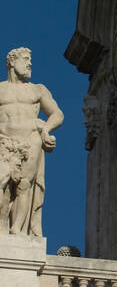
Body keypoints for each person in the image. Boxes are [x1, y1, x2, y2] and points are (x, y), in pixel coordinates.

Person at [0, 48, 63, 237]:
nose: (30, 64)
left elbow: (57, 114)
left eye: (31, 60)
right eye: (26, 59)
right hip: (3, 142)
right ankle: (3, 226)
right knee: (2, 184)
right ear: (12, 62)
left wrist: (45, 129)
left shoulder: (37, 90)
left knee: (23, 186)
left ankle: (18, 229)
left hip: (30, 141)